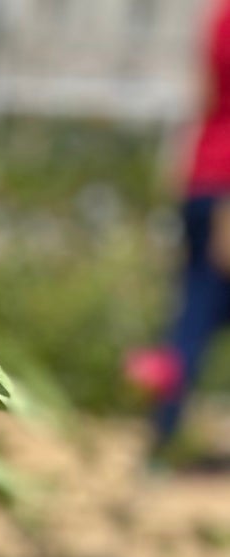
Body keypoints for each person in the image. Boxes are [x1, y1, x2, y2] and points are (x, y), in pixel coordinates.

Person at [127, 0, 230, 455]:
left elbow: (203, 94)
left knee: (193, 309)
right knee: (197, 314)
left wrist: (182, 162)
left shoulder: (220, 12)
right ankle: (164, 431)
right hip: (224, 185)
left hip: (202, 177)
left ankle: (161, 428)